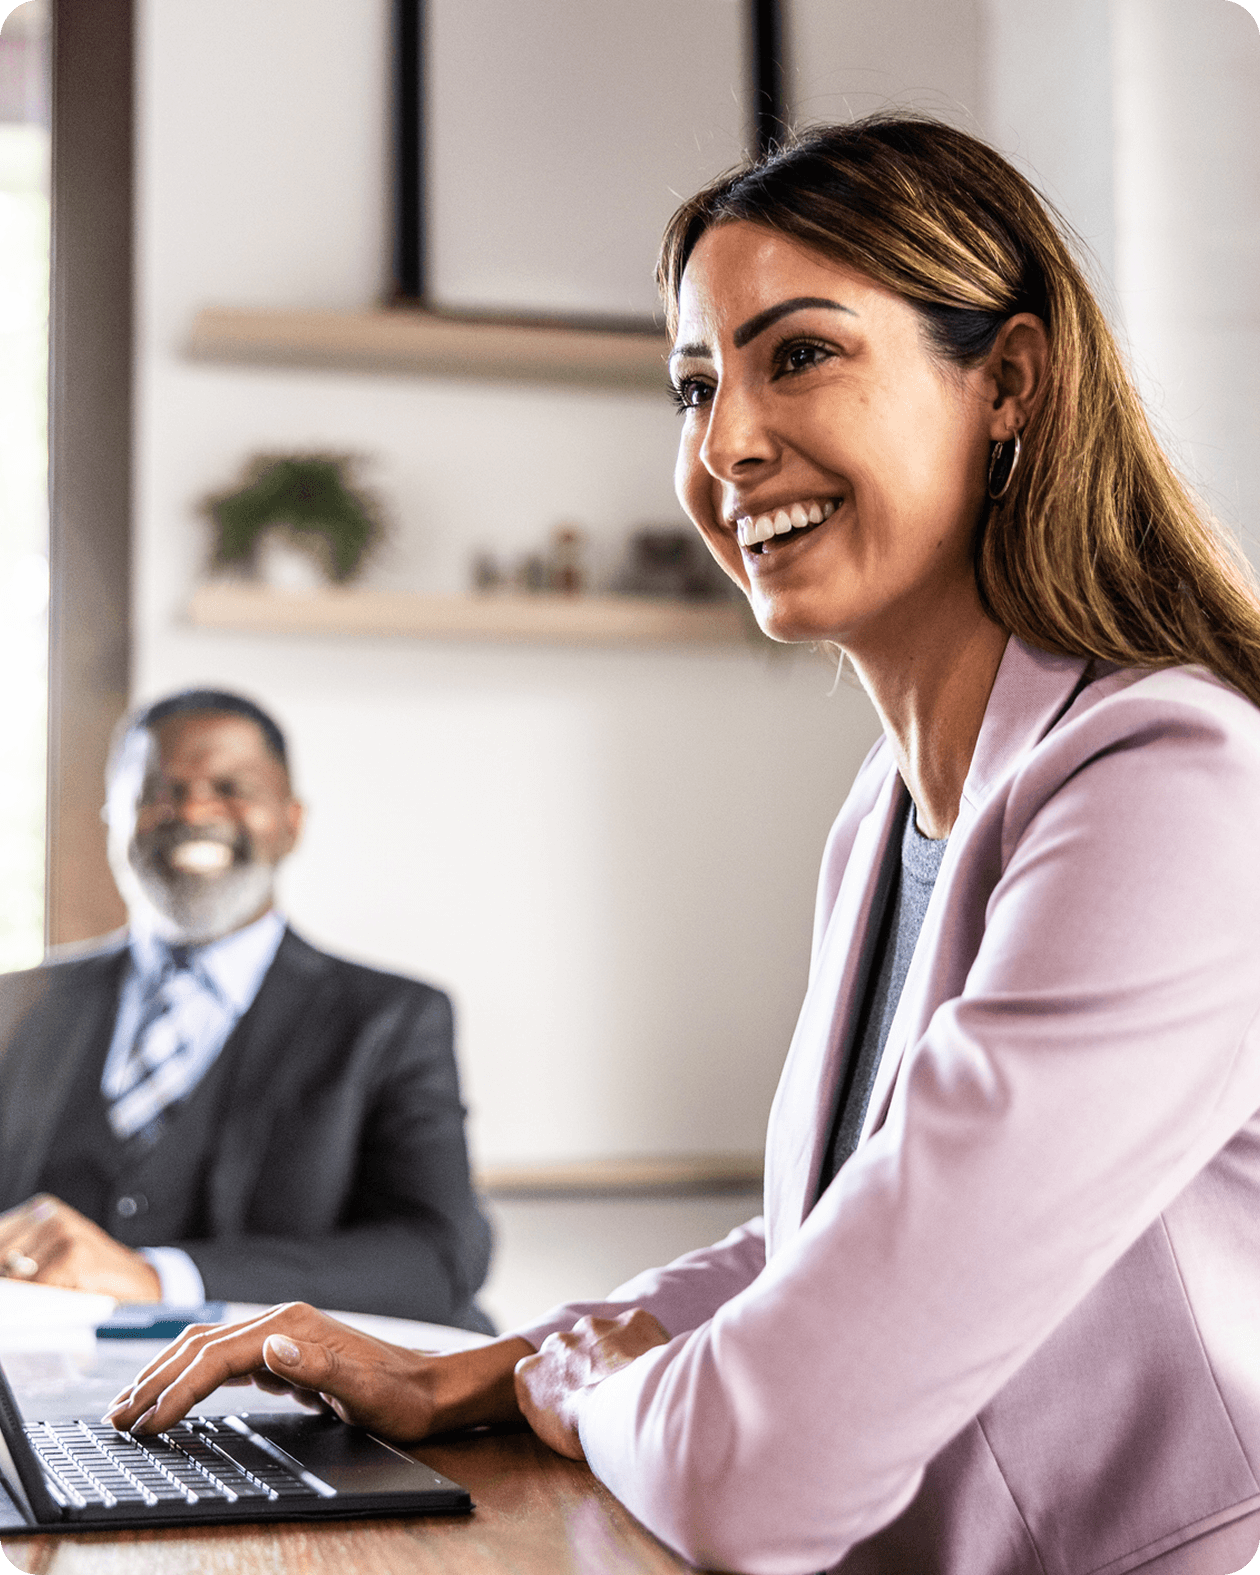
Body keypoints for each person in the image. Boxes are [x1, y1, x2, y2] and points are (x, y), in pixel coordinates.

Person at [105, 116, 1260, 1572]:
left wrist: (577, 1382)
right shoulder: (884, 811)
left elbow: (762, 1468)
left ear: (1010, 382)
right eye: (694, 383)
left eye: (801, 355)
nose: (724, 444)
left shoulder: (1173, 781)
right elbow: (838, 1243)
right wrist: (480, 1363)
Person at [0, 689, 492, 1331]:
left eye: (231, 787)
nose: (195, 810)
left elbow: (438, 1253)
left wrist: (157, 1280)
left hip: (279, 1403)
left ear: (291, 822)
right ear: (114, 820)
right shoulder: (15, 1004)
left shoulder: (392, 1019)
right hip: (40, 1397)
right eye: (159, 791)